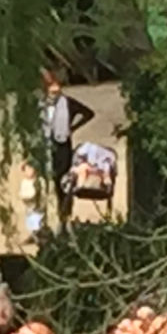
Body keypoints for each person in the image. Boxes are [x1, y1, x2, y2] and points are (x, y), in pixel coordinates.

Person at [40, 69, 95, 230]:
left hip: (63, 145)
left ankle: (65, 217)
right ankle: (47, 223)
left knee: (64, 181)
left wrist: (72, 127)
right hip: (48, 145)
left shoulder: (68, 103)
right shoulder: (43, 105)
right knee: (48, 183)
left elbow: (88, 113)